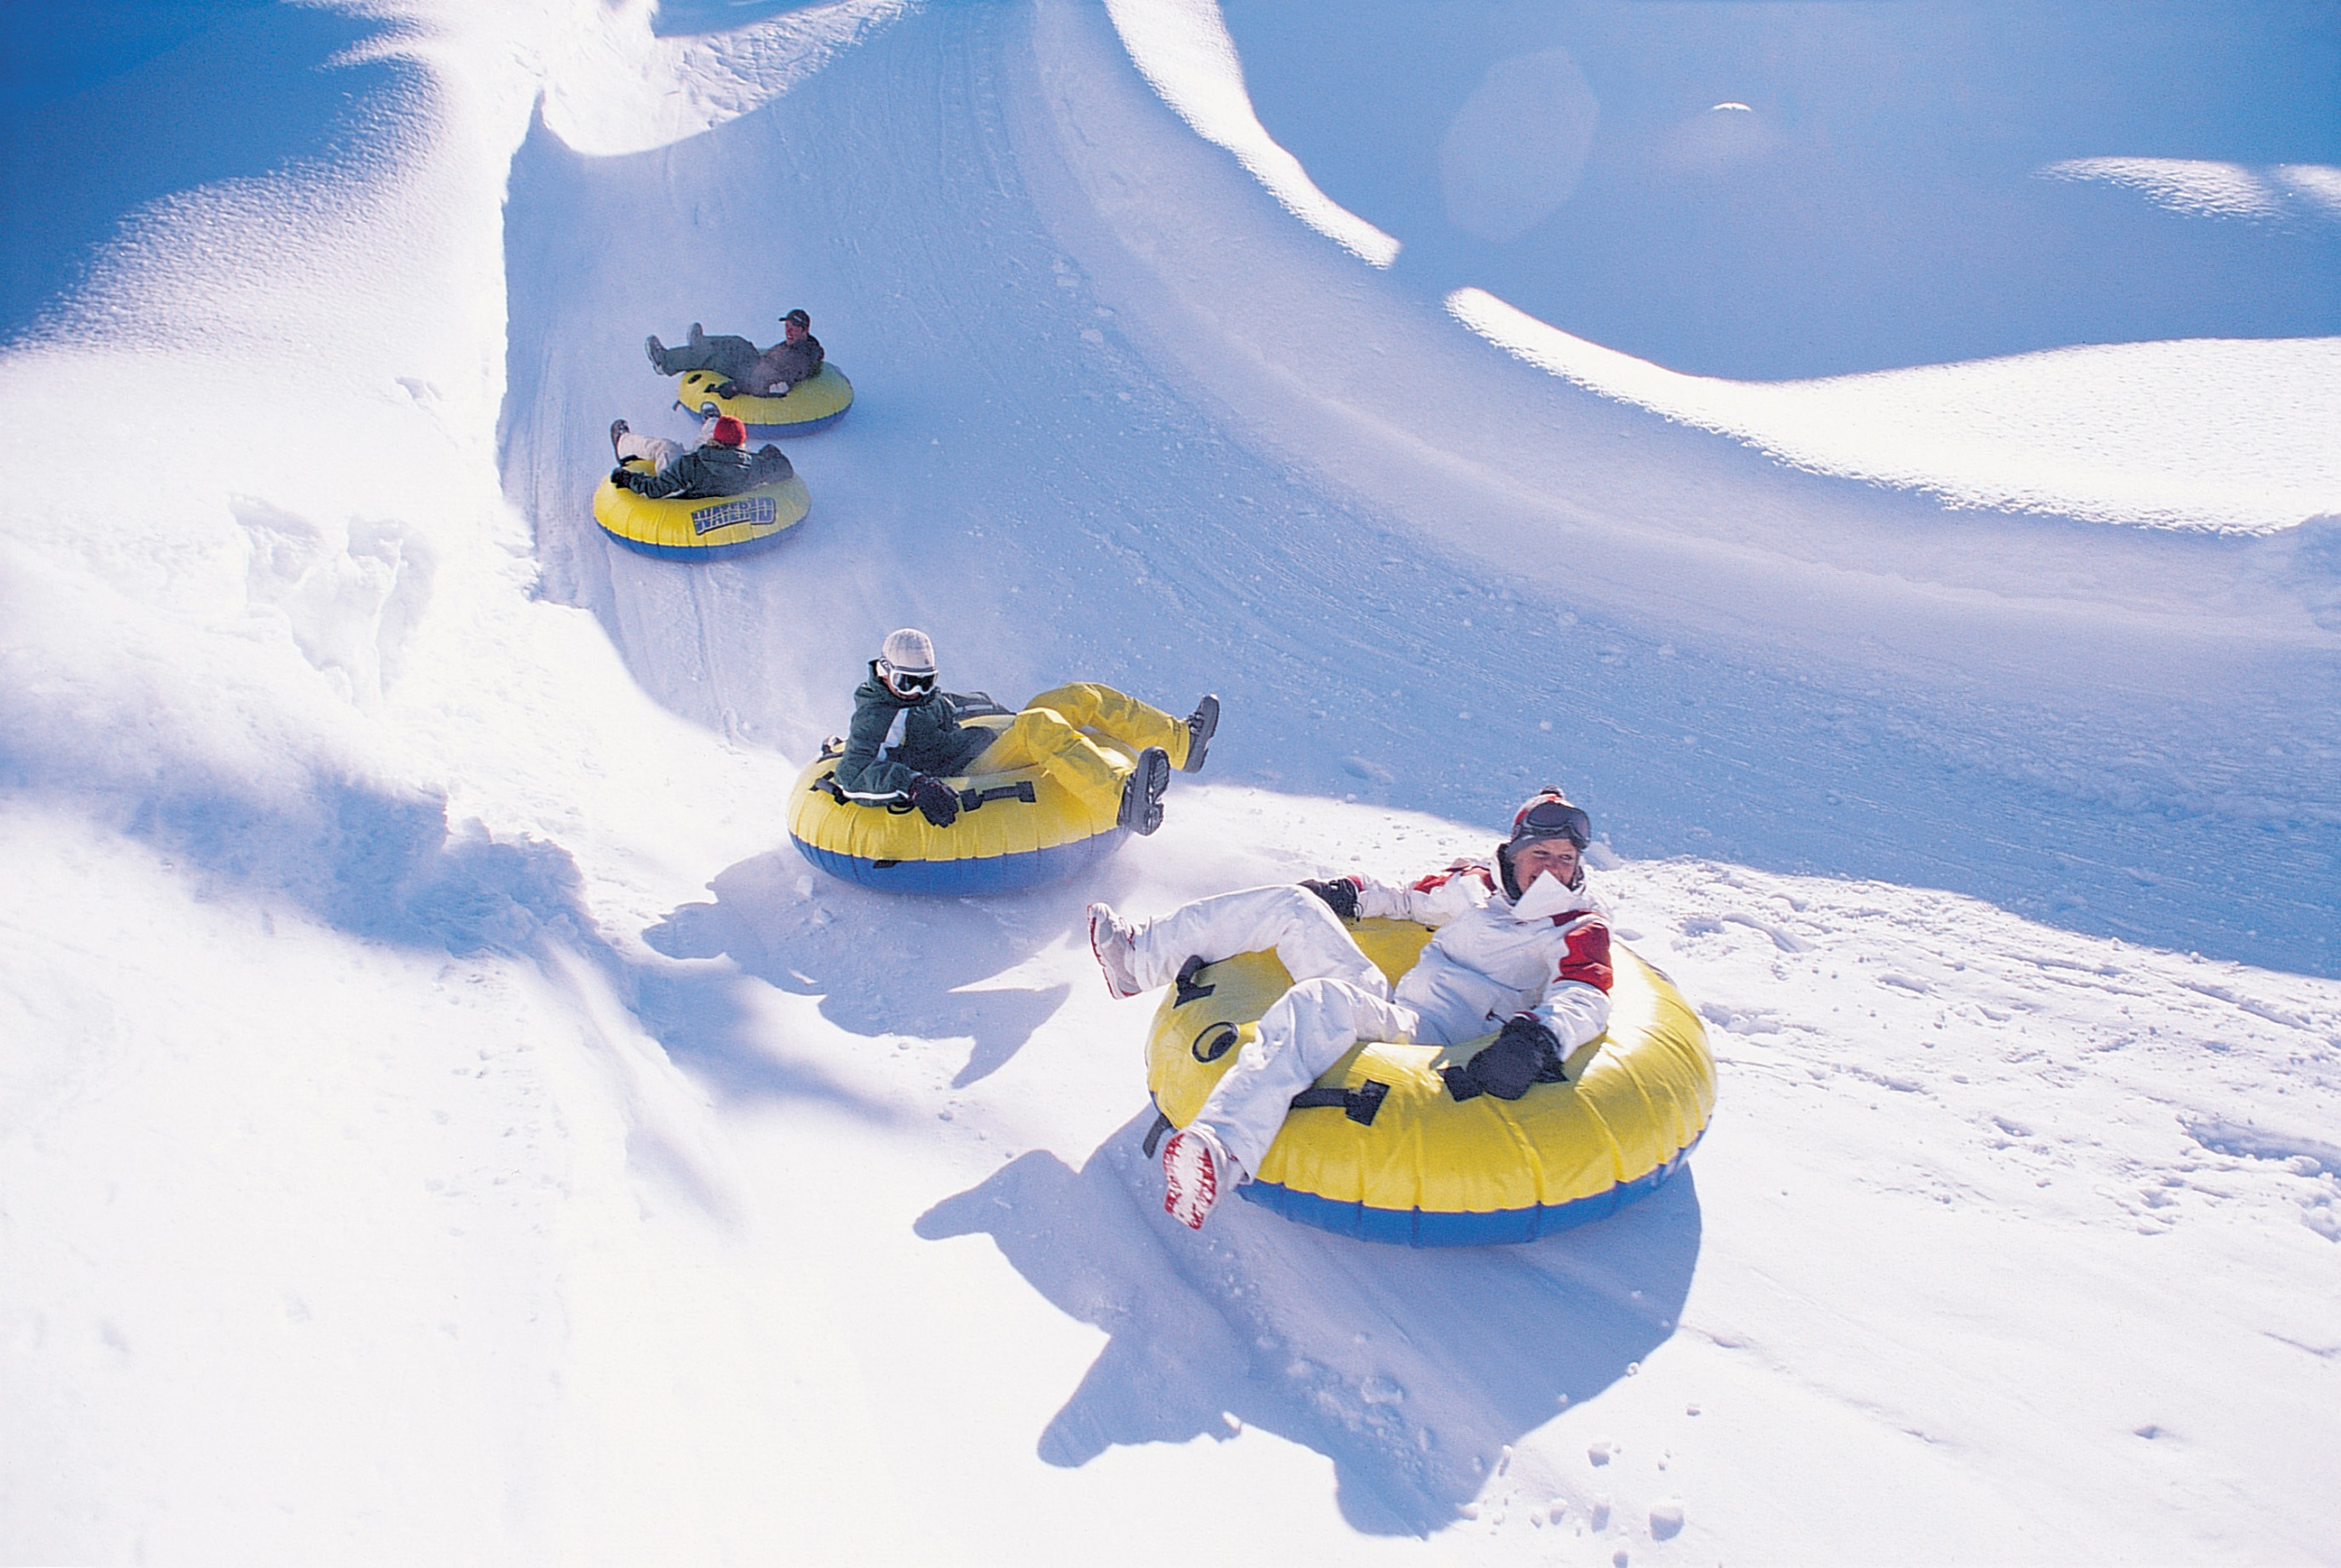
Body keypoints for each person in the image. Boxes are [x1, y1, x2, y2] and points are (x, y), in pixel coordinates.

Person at [1087, 789, 1613, 1229]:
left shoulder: (1576, 925)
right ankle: (1136, 960)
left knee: (1318, 1001)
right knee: (1293, 906)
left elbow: (1585, 994)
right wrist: (1347, 894)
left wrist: (1537, 1039)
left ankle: (1220, 1151)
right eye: (1540, 855)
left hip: (1435, 1046)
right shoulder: (1476, 887)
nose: (1552, 870)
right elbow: (1407, 898)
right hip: (1397, 1006)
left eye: (1565, 859)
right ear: (1513, 854)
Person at [831, 628, 1219, 838]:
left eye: (926, 681)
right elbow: (852, 774)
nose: (917, 691)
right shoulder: (877, 715)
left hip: (978, 745)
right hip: (965, 773)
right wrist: (916, 785)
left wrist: (999, 711)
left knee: (1079, 696)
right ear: (883, 671)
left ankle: (1181, 742)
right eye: (907, 681)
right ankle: (1122, 797)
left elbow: (949, 705)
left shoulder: (921, 698)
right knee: (1039, 726)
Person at [644, 311, 824, 398]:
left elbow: (774, 382)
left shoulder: (798, 358)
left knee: (715, 357)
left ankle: (664, 363)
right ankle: (700, 342)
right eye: (787, 327)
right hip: (759, 363)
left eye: (794, 328)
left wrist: (736, 387)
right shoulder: (802, 345)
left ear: (805, 330)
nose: (788, 332)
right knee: (737, 342)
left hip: (751, 375)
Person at [607, 415, 788, 501]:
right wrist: (769, 453)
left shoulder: (689, 465)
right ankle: (713, 419)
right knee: (712, 428)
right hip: (723, 472)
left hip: (686, 489)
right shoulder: (755, 465)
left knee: (667, 447)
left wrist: (629, 478)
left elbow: (655, 489)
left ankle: (622, 443)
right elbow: (785, 469)